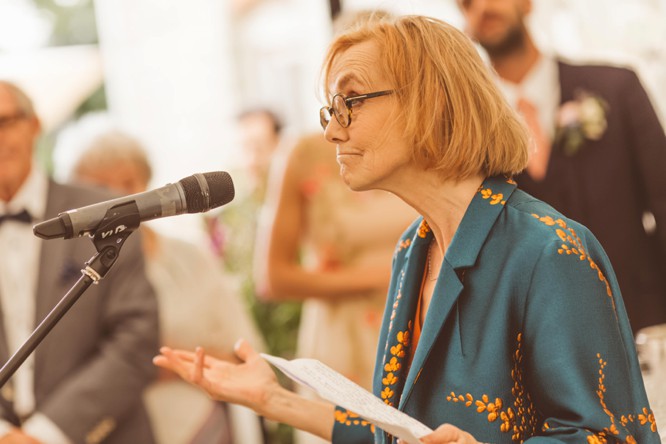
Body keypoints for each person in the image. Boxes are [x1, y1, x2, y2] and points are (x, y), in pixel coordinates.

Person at [154, 15, 659, 443]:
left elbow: (611, 436)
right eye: (332, 108)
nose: (332, 129)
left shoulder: (548, 250)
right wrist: (273, 399)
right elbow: (401, 431)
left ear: (431, 103)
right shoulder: (413, 248)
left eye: (351, 101)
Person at [457, 0, 666, 333]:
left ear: (526, 4)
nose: (482, 7)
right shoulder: (468, 132)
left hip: (643, 321)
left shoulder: (617, 87)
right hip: (542, 338)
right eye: (467, 4)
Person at [70, 130, 266, 444]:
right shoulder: (76, 276)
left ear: (145, 183)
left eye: (126, 183)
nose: (116, 198)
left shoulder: (190, 259)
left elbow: (246, 352)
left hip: (199, 428)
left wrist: (167, 363)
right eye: (100, 187)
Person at [0, 81, 159, 443]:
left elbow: (135, 340)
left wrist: (45, 434)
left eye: (4, 122)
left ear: (34, 125)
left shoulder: (107, 212)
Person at [254, 131, 417, 444]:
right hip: (344, 340)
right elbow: (273, 278)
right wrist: (393, 274)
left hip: (420, 329)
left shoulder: (430, 140)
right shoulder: (305, 153)